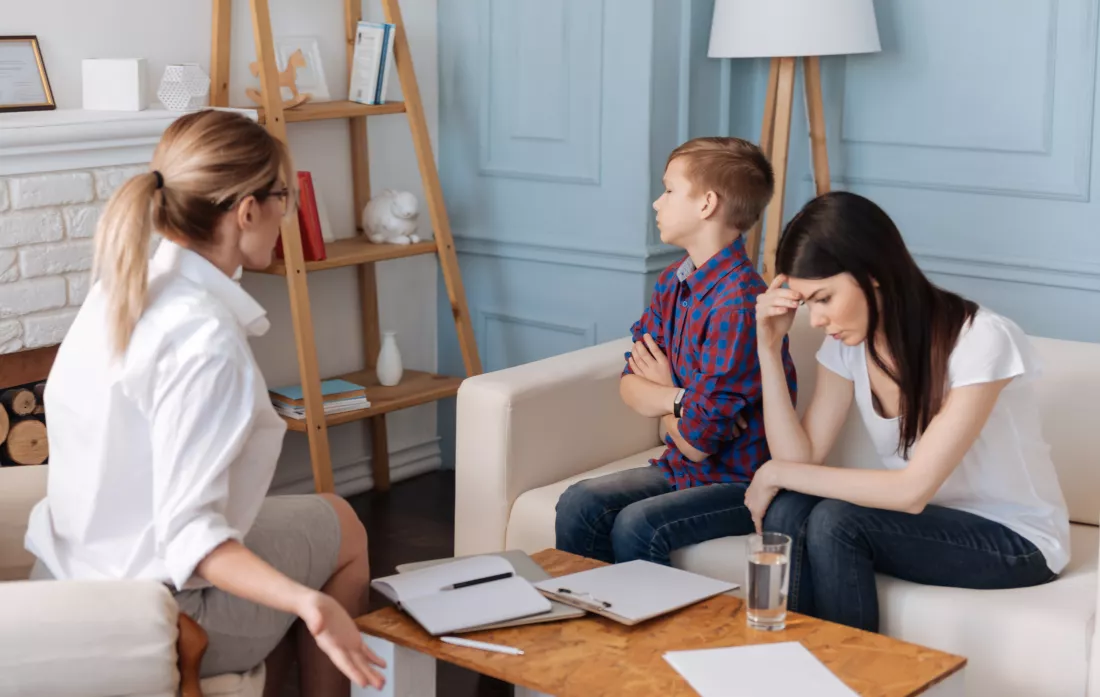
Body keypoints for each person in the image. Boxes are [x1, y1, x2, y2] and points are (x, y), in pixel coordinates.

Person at [23, 109, 386, 695]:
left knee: (334, 518)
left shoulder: (122, 285)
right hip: (161, 608)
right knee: (344, 540)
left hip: (73, 573)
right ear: (247, 211)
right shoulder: (207, 343)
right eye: (283, 198)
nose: (286, 214)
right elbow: (190, 539)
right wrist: (309, 603)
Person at [749, 190, 1070, 633]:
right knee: (789, 508)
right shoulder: (848, 345)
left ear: (872, 273)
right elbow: (798, 461)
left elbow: (911, 491)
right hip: (928, 522)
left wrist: (773, 472)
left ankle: (848, 669)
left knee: (836, 522)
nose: (816, 319)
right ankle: (787, 660)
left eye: (823, 298)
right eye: (807, 303)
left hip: (1017, 538)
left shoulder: (980, 339)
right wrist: (768, 348)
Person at [554, 137, 798, 565]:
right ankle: (589, 608)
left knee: (638, 524)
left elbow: (698, 444)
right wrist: (682, 399)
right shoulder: (673, 282)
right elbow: (630, 384)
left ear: (707, 203)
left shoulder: (738, 305)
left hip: (738, 483)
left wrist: (666, 396)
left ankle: (642, 611)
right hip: (681, 470)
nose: (657, 202)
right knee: (580, 502)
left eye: (669, 190)